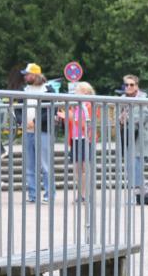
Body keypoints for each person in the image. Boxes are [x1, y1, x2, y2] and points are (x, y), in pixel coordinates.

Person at [21, 63, 54, 203]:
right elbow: (17, 107)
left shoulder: (48, 89)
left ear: (35, 75)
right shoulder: (24, 89)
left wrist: (35, 122)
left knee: (45, 165)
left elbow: (50, 110)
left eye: (27, 74)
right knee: (29, 166)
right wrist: (21, 122)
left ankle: (49, 195)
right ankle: (32, 195)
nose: (25, 77)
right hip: (27, 131)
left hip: (43, 131)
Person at [58, 81, 95, 203]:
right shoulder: (76, 105)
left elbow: (86, 126)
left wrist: (71, 117)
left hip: (85, 139)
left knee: (84, 168)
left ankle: (85, 195)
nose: (75, 92)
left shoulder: (89, 105)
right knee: (77, 168)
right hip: (75, 139)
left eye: (77, 90)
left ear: (85, 92)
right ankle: (81, 194)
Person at [119, 74, 148, 193]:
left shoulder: (144, 98)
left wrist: (127, 118)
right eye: (126, 84)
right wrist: (121, 119)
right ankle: (136, 190)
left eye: (131, 84)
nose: (128, 87)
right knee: (129, 162)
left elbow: (145, 116)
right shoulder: (121, 99)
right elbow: (118, 117)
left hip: (140, 136)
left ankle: (138, 190)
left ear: (137, 86)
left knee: (136, 162)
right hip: (127, 135)